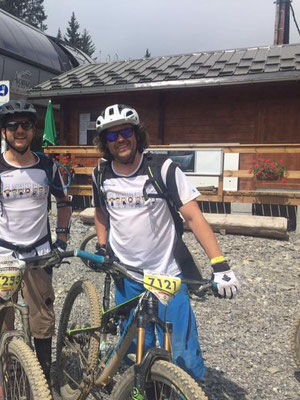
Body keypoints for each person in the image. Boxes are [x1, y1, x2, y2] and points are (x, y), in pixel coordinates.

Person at [91, 104, 240, 381]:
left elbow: (194, 217)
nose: (120, 139)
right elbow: (101, 212)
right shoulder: (100, 175)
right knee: (137, 349)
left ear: (137, 134)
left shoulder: (163, 169)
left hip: (166, 275)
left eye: (125, 132)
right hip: (126, 276)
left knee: (184, 357)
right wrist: (101, 245)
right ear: (105, 142)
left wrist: (220, 264)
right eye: (111, 136)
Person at [0, 100, 72, 382]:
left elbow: (64, 202)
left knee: (42, 319)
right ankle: (2, 379)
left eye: (26, 125)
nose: (20, 131)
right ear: (3, 132)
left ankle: (43, 379)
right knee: (2, 321)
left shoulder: (47, 167)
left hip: (38, 255)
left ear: (34, 130)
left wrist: (61, 240)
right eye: (13, 126)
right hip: (1, 255)